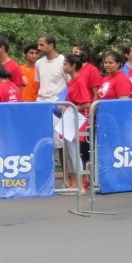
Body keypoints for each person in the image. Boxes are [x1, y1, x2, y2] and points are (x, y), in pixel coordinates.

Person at [62, 54, 93, 189]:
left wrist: (71, 109)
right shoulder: (73, 81)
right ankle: (75, 183)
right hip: (71, 117)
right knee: (70, 153)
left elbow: (86, 103)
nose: (63, 66)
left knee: (74, 153)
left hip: (76, 118)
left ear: (73, 66)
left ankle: (79, 185)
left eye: (65, 64)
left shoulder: (79, 81)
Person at [35, 34, 69, 103]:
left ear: (51, 46)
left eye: (41, 45)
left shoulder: (64, 61)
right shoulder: (38, 63)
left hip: (57, 103)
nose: (38, 48)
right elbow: (38, 84)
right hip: (41, 102)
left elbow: (70, 83)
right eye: (38, 45)